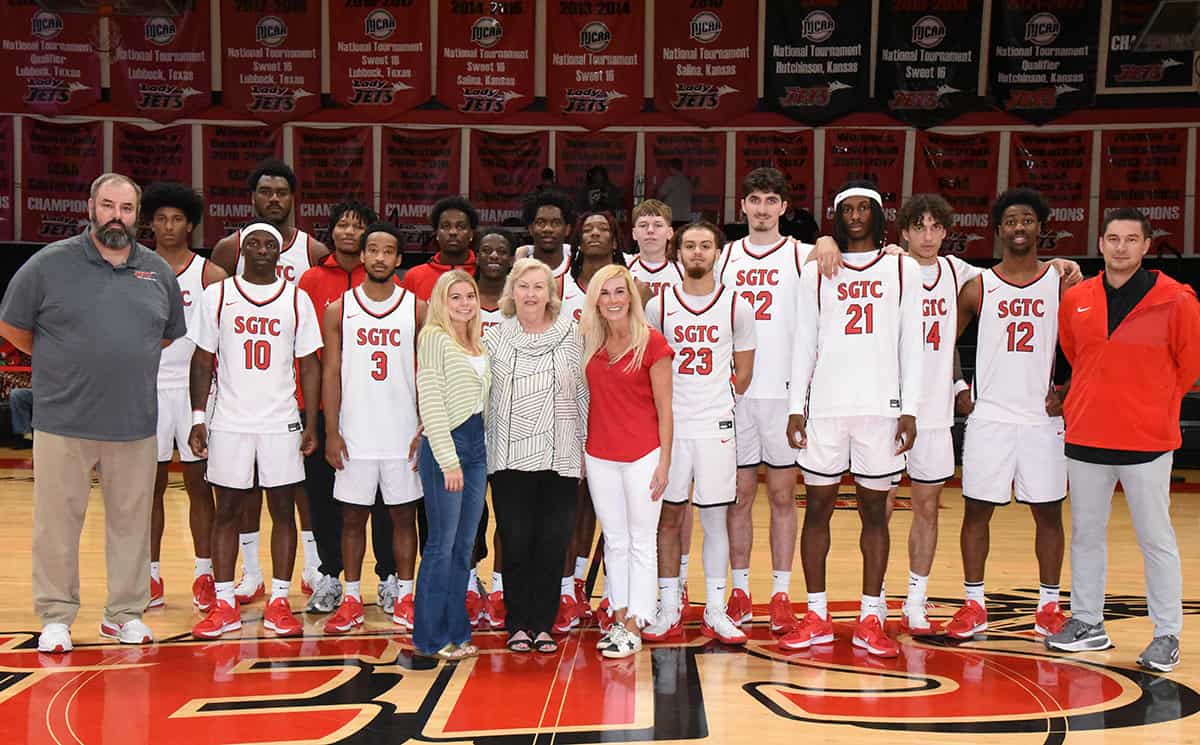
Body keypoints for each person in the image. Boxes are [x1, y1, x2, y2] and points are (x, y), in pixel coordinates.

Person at [0, 172, 186, 653]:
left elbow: (164, 334)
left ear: (137, 216)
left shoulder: (157, 271)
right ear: (90, 208)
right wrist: (64, 362)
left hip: (132, 423)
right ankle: (57, 615)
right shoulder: (48, 264)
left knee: (132, 524)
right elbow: (14, 328)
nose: (116, 217)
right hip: (64, 421)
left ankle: (124, 614)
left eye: (126, 209)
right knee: (57, 525)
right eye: (108, 206)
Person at [1046, 208, 1200, 672]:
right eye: (1112, 238)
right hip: (1088, 434)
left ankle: (1167, 632)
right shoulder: (1078, 298)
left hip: (1147, 439)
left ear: (1146, 245)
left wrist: (1154, 404)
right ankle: (1089, 623)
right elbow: (1075, 355)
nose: (1120, 247)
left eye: (1131, 239)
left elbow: (1189, 365)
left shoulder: (1177, 299)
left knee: (1155, 538)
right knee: (1087, 536)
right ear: (1100, 242)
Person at [780, 183, 923, 658]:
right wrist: (794, 406)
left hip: (880, 410)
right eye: (848, 209)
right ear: (836, 217)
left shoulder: (903, 266)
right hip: (825, 407)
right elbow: (803, 340)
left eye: (865, 208)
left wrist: (910, 408)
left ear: (880, 216)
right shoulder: (816, 270)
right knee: (816, 511)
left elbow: (913, 344)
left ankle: (870, 616)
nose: (857, 215)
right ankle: (816, 615)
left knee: (874, 514)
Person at [187, 223, 323, 639]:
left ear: (281, 253)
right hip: (229, 420)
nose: (263, 250)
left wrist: (310, 422)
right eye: (254, 244)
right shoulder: (218, 295)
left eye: (270, 245)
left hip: (280, 420)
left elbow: (311, 364)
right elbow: (201, 360)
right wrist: (198, 417)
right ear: (241, 249)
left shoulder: (297, 299)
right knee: (227, 509)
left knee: (282, 509)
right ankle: (225, 602)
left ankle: (280, 601)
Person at [947, 188, 1069, 641]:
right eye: (1012, 221)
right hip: (990, 418)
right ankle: (974, 605)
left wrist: (1069, 391)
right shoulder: (980, 285)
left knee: (1049, 516)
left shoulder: (1062, 281)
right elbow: (944, 341)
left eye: (1028, 220)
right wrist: (959, 387)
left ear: (1041, 228)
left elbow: (1092, 341)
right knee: (976, 513)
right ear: (998, 230)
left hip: (1042, 420)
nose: (1020, 227)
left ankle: (1049, 608)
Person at [209, 158, 329, 603]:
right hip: (240, 396)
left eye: (281, 192)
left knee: (295, 491)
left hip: (293, 392)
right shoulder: (228, 249)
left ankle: (313, 567)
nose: (273, 199)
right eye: (265, 192)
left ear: (293, 199)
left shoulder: (313, 250)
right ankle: (251, 573)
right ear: (252, 198)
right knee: (242, 492)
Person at [644, 222, 756, 645]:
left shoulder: (735, 306)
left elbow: (743, 374)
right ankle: (669, 606)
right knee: (670, 518)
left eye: (705, 246)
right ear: (678, 253)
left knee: (715, 519)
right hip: (672, 426)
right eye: (689, 246)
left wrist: (714, 398)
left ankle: (715, 607)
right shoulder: (659, 306)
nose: (697, 253)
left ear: (717, 253)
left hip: (715, 425)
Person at [716, 167, 811, 634]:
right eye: (754, 199)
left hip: (783, 395)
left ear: (783, 208)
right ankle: (739, 591)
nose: (761, 208)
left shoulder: (803, 254)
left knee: (781, 495)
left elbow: (862, 259)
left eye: (770, 200)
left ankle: (779, 592)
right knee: (738, 495)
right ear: (743, 207)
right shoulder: (725, 255)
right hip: (736, 395)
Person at [320, 223, 426, 635]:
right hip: (355, 431)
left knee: (403, 518)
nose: (380, 257)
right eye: (373, 250)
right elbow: (331, 371)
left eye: (389, 251)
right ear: (362, 257)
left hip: (403, 432)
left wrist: (424, 423)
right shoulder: (339, 308)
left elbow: (430, 369)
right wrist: (331, 429)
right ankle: (350, 599)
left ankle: (405, 597)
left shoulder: (416, 307)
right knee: (352, 518)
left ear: (399, 259)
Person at [297, 200, 401, 617]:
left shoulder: (394, 287)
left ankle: (389, 576)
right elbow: (305, 349)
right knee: (325, 497)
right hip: (326, 409)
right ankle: (329, 575)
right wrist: (313, 414)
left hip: (380, 412)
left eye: (357, 226)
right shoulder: (311, 279)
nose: (348, 231)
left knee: (383, 500)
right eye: (342, 224)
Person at [483, 257, 588, 653]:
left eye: (538, 287)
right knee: (516, 539)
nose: (530, 294)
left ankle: (543, 624)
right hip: (509, 457)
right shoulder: (494, 337)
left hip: (560, 455)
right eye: (523, 286)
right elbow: (483, 396)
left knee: (553, 540)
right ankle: (518, 623)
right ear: (512, 292)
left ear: (551, 294)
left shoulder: (572, 335)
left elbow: (582, 394)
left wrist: (584, 448)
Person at [553, 211, 651, 633]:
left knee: (611, 514)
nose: (594, 234)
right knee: (574, 506)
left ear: (615, 239)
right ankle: (571, 586)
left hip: (618, 416)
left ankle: (616, 595)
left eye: (602, 229)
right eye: (586, 229)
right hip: (572, 410)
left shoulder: (633, 289)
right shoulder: (560, 288)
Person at [580, 264, 674, 659]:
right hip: (600, 454)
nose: (614, 300)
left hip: (642, 455)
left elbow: (666, 409)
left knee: (641, 542)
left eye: (620, 292)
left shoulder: (652, 342)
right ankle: (619, 617)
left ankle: (636, 622)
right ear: (596, 300)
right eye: (606, 293)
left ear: (632, 298)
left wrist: (665, 462)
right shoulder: (590, 342)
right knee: (615, 541)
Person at [141, 182, 227, 612]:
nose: (169, 225)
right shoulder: (134, 268)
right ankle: (150, 576)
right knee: (150, 486)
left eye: (177, 219)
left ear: (191, 224)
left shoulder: (210, 274)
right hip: (147, 387)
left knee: (198, 484)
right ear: (150, 222)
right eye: (161, 218)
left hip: (195, 390)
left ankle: (204, 572)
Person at [413, 270, 490, 660]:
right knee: (440, 545)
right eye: (454, 297)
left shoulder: (477, 342)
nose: (464, 303)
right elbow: (431, 401)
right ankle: (430, 637)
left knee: (464, 546)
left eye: (469, 296)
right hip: (449, 447)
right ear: (441, 303)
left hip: (477, 447)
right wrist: (447, 459)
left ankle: (458, 631)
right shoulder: (433, 339)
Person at [470, 227, 516, 628]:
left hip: (509, 419)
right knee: (469, 511)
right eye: (487, 250)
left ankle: (500, 586)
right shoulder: (461, 300)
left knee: (507, 510)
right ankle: (470, 583)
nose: (494, 256)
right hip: (466, 419)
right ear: (476, 255)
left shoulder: (519, 307)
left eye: (502, 251)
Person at [402, 197, 479, 301]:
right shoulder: (414, 276)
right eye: (446, 226)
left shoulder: (483, 273)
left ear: (471, 234)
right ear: (436, 233)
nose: (453, 232)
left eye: (460, 226)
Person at [627, 199, 683, 297]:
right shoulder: (623, 267)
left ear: (670, 233)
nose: (650, 230)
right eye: (643, 225)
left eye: (658, 225)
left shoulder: (684, 271)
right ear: (634, 233)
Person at [520, 189, 575, 277]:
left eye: (556, 223)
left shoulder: (579, 267)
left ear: (567, 229)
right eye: (541, 222)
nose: (547, 229)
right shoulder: (519, 269)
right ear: (530, 228)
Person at [657, 159, 693, 227]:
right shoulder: (687, 181)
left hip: (673, 217)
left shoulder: (670, 180)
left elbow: (660, 197)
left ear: (671, 168)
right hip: (686, 217)